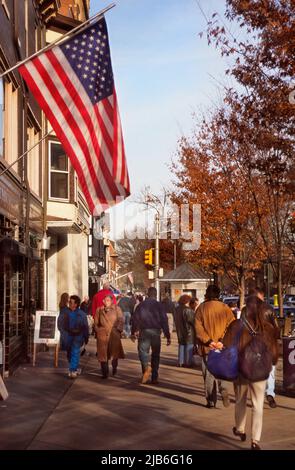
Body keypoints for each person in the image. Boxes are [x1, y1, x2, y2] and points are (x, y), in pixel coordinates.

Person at [223, 295, 279, 450]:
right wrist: (271, 363)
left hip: (241, 369)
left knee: (240, 400)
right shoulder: (267, 328)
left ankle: (240, 429)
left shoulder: (236, 325)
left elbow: (226, 346)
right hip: (260, 370)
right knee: (258, 405)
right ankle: (255, 440)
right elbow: (274, 351)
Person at [195, 284, 235, 408]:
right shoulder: (225, 308)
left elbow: (198, 328)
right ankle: (223, 387)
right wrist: (222, 340)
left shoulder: (201, 308)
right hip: (222, 347)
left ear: (207, 294)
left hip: (207, 347)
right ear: (218, 294)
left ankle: (211, 401)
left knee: (208, 374)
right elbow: (232, 326)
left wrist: (209, 341)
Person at [131, 287, 171, 385]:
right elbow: (164, 320)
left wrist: (133, 331)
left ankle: (146, 368)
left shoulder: (141, 305)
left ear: (148, 294)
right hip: (156, 332)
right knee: (156, 355)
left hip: (144, 331)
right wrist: (167, 335)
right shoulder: (159, 306)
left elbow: (135, 319)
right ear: (156, 294)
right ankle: (154, 377)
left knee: (143, 352)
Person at [248, 287, 280, 408]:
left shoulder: (247, 310)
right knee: (270, 370)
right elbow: (276, 328)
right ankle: (270, 392)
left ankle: (256, 397)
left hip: (253, 346)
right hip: (268, 345)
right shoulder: (269, 309)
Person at [94, 295, 125, 378]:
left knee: (114, 354)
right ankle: (105, 373)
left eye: (108, 300)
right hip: (103, 334)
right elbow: (96, 323)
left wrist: (118, 330)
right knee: (103, 354)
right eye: (104, 300)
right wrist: (98, 330)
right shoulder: (99, 310)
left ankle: (114, 368)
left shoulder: (117, 309)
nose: (106, 302)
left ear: (111, 301)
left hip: (114, 334)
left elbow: (121, 320)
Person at [61, 295, 89, 379]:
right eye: (69, 302)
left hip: (78, 336)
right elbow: (60, 324)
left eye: (71, 302)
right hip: (67, 336)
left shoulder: (82, 314)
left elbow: (85, 326)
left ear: (76, 304)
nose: (69, 303)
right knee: (69, 353)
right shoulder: (64, 312)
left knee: (75, 352)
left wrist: (86, 337)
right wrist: (63, 332)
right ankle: (72, 366)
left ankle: (73, 370)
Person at [174, 295, 194, 367]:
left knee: (181, 345)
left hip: (180, 330)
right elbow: (192, 321)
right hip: (189, 331)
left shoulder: (177, 309)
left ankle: (180, 362)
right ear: (187, 301)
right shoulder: (188, 310)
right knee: (189, 345)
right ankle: (188, 362)